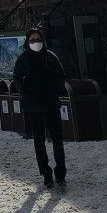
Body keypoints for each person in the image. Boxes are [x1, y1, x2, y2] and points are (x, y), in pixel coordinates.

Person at [13, 27, 67, 188]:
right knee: (38, 140)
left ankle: (61, 174)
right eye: (32, 40)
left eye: (37, 39)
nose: (35, 43)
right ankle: (46, 173)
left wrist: (56, 90)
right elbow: (16, 77)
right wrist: (24, 91)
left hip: (51, 103)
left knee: (57, 139)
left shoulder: (50, 57)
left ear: (42, 41)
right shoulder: (23, 59)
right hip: (33, 105)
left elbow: (60, 75)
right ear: (27, 42)